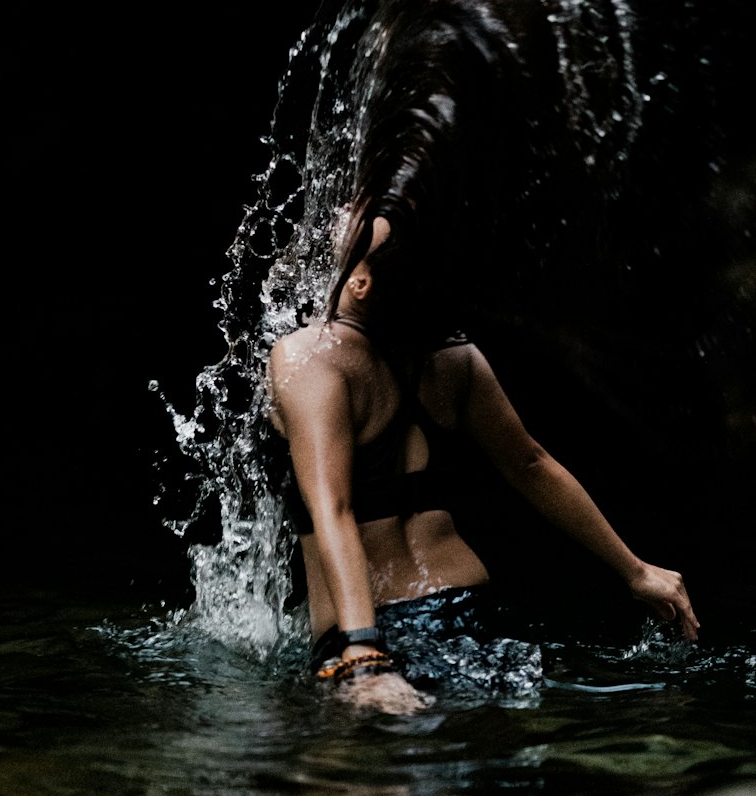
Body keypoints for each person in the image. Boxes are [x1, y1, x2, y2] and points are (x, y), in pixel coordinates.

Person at [267, 212, 699, 714]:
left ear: (360, 283)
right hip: (472, 610)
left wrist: (364, 654)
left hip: (375, 629)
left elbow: (334, 509)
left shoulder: (309, 359)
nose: (353, 213)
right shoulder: (453, 358)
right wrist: (636, 570)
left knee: (349, 785)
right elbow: (532, 466)